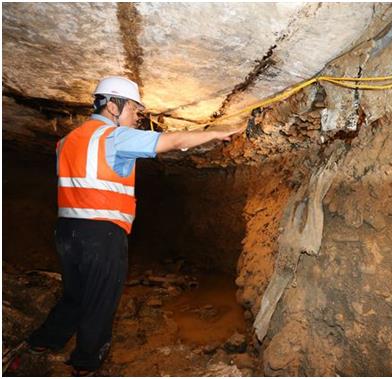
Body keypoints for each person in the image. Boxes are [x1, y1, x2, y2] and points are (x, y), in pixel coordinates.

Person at [26, 76, 241, 376]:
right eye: (134, 109)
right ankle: (86, 364)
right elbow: (176, 141)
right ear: (113, 106)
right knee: (101, 302)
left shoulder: (67, 141)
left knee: (75, 293)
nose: (138, 117)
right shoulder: (113, 137)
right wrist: (218, 132)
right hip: (101, 234)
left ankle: (43, 341)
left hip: (67, 233)